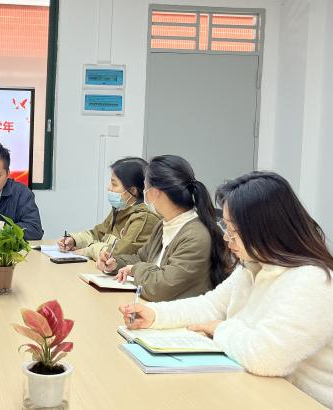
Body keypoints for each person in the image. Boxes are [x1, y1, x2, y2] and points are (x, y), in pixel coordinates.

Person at [120, 171, 333, 408]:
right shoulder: (253, 266)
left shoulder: (312, 280)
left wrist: (219, 329)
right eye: (226, 227)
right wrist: (156, 315)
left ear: (265, 228)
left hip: (303, 400)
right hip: (259, 389)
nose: (225, 237)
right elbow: (211, 305)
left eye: (233, 230)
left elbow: (265, 356)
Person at [99, 154, 231, 301]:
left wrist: (135, 270)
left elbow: (161, 288)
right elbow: (141, 258)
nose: (144, 194)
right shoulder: (164, 225)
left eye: (145, 188)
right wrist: (116, 263)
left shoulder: (196, 236)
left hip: (179, 312)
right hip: (154, 306)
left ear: (155, 192)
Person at [57, 157, 159, 260]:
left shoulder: (144, 218)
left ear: (132, 190)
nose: (109, 188)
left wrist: (89, 250)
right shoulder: (120, 209)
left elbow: (118, 254)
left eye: (114, 184)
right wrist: (74, 240)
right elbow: (99, 233)